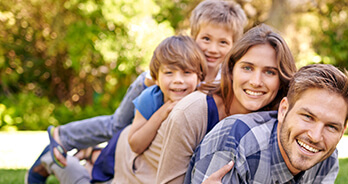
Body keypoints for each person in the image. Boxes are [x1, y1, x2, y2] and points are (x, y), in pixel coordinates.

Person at [26, 0, 247, 183]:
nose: (212, 48)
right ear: (193, 36)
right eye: (206, 39)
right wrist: (163, 87)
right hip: (149, 84)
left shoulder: (223, 77)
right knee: (116, 126)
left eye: (223, 42)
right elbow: (163, 80)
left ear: (234, 45)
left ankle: (90, 153)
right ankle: (64, 136)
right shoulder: (166, 78)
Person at [113, 23, 297, 183]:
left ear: (281, 79)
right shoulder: (192, 111)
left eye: (270, 72)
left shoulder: (277, 120)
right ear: (231, 69)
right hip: (131, 166)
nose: (256, 81)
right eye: (247, 68)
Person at [39, 34, 208, 184]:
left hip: (144, 165)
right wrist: (162, 112)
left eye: (186, 72)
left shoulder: (201, 101)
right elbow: (135, 144)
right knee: (94, 175)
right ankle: (72, 157)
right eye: (169, 73)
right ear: (156, 78)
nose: (178, 80)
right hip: (119, 155)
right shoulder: (150, 98)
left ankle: (90, 151)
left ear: (199, 77)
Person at [186, 64, 348, 184]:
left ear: (343, 131)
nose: (315, 137)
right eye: (307, 116)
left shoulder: (327, 160)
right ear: (284, 110)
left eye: (331, 126)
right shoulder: (235, 140)